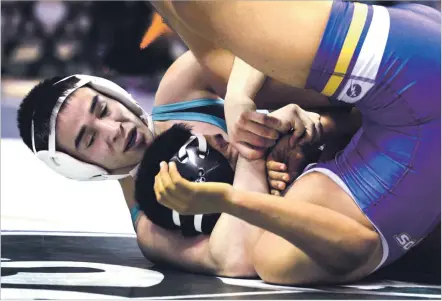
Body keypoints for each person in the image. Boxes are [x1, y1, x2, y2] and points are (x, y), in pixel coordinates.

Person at [148, 0, 441, 284]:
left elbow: (370, 126)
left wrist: (318, 128)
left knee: (210, 39)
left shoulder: (295, 177)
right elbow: (360, 243)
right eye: (230, 151)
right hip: (417, 77)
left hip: (414, 64)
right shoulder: (272, 257)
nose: (234, 142)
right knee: (212, 41)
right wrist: (232, 200)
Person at [16, 51, 360, 274]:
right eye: (90, 139)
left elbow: (260, 41)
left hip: (362, 128)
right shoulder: (152, 229)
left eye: (103, 109)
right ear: (80, 166)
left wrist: (240, 100)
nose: (115, 130)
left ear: (115, 94)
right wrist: (255, 150)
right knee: (278, 263)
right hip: (350, 208)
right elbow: (235, 259)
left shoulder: (180, 90)